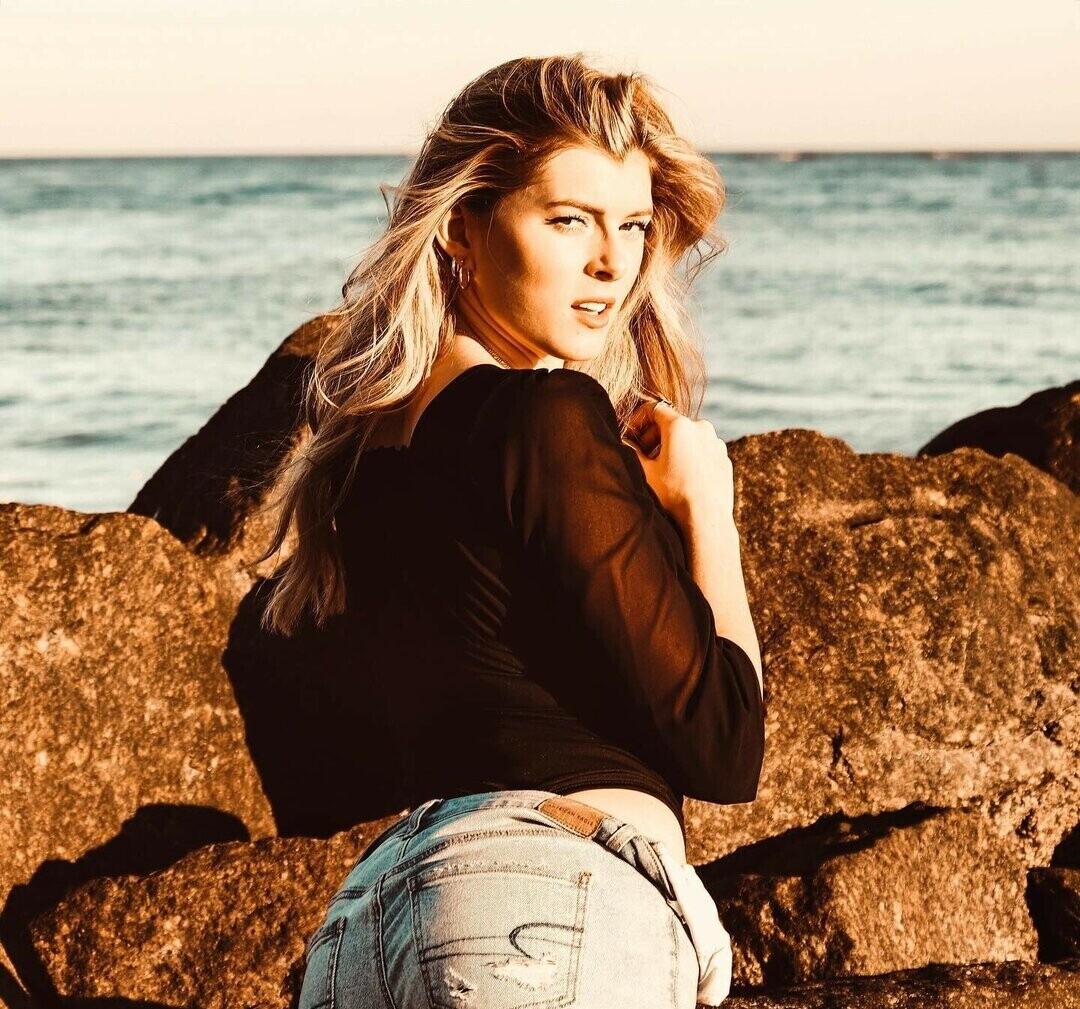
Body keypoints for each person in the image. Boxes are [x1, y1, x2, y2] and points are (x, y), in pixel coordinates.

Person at [258, 53, 765, 1008]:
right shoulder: (547, 416)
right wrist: (710, 508)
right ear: (463, 225)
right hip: (544, 904)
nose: (612, 262)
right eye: (569, 220)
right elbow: (725, 742)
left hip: (365, 931)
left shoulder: (361, 460)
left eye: (632, 225)